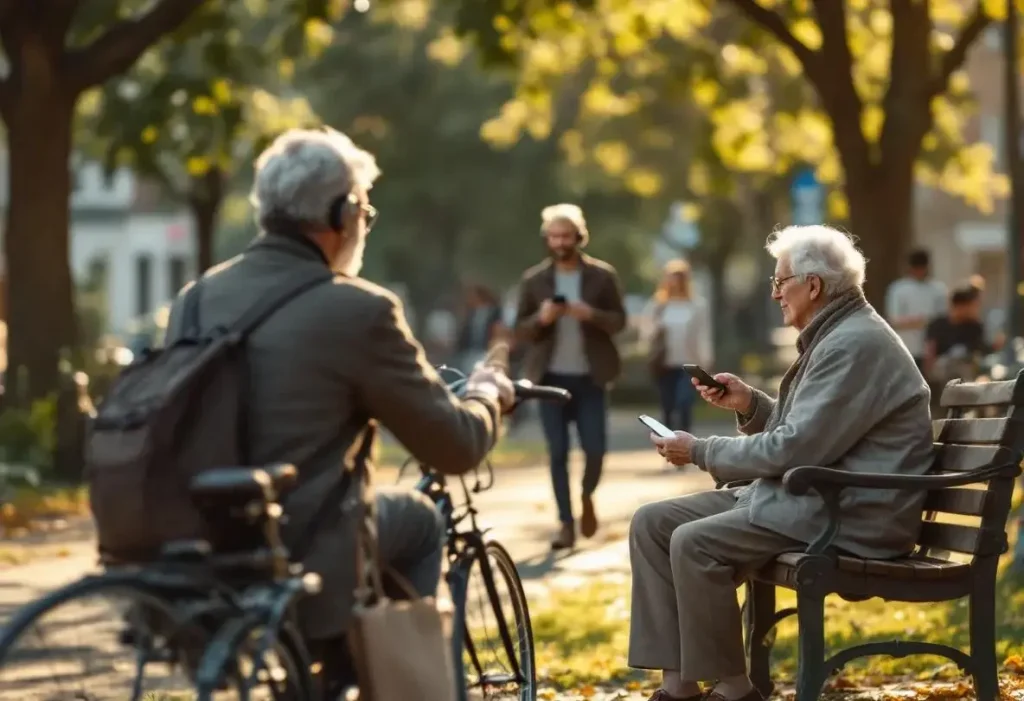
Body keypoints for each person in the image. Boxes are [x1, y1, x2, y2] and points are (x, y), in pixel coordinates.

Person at [163, 128, 514, 665]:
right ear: (342, 213)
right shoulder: (358, 309)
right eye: (364, 212)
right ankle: (396, 678)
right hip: (299, 544)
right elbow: (454, 446)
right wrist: (487, 396)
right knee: (421, 521)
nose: (363, 224)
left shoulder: (195, 298)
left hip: (196, 544)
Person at [627, 225, 933, 701]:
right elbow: (809, 433)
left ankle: (735, 691)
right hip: (814, 497)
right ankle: (679, 687)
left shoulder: (853, 343)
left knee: (693, 542)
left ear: (813, 285)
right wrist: (751, 405)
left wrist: (700, 450)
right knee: (652, 524)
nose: (774, 294)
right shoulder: (839, 334)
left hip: (849, 514)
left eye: (780, 281)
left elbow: (797, 449)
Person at [514, 203, 627, 550]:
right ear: (547, 239)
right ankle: (565, 523)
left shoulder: (602, 276)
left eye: (566, 236)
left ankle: (587, 495)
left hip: (591, 377)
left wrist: (590, 313)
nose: (560, 242)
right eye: (554, 236)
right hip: (549, 378)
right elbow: (520, 330)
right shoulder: (534, 280)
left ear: (579, 237)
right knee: (558, 452)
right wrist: (542, 319)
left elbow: (620, 321)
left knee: (595, 448)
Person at [643, 259, 713, 434]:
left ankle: (685, 438)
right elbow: (646, 331)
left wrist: (706, 359)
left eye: (680, 278)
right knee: (667, 405)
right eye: (672, 278)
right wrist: (656, 329)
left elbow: (703, 334)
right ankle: (667, 439)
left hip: (688, 364)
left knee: (684, 402)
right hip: (664, 364)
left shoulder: (697, 305)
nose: (675, 282)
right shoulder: (658, 305)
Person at [885, 249, 948, 372]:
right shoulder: (898, 289)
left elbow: (942, 319)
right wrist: (923, 321)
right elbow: (893, 320)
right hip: (906, 348)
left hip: (930, 352)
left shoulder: (938, 289)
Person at [924, 281, 993, 390]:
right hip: (942, 375)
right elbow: (930, 353)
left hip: (967, 376)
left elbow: (981, 353)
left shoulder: (975, 327)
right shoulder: (937, 324)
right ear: (961, 306)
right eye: (973, 306)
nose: (976, 309)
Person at [454, 282, 507, 374]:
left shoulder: (494, 312)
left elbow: (497, 330)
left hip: (486, 351)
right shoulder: (471, 313)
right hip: (469, 353)